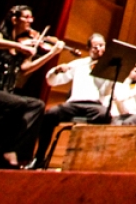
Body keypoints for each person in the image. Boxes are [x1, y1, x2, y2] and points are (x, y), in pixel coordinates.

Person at [0, 5, 62, 169]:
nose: (30, 21)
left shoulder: (22, 45)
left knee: (37, 105)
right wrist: (19, 46)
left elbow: (26, 69)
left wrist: (51, 54)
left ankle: (15, 152)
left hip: (5, 95)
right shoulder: (1, 36)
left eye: (31, 18)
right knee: (18, 104)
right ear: (14, 19)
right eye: (26, 17)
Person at [33, 33, 112, 167]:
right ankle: (39, 158)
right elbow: (52, 81)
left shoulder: (109, 67)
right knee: (50, 114)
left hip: (95, 105)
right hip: (74, 103)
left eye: (101, 45)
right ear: (88, 49)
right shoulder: (79, 64)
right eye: (95, 47)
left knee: (104, 116)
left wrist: (105, 70)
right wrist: (57, 70)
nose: (99, 49)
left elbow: (105, 92)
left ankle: (89, 160)